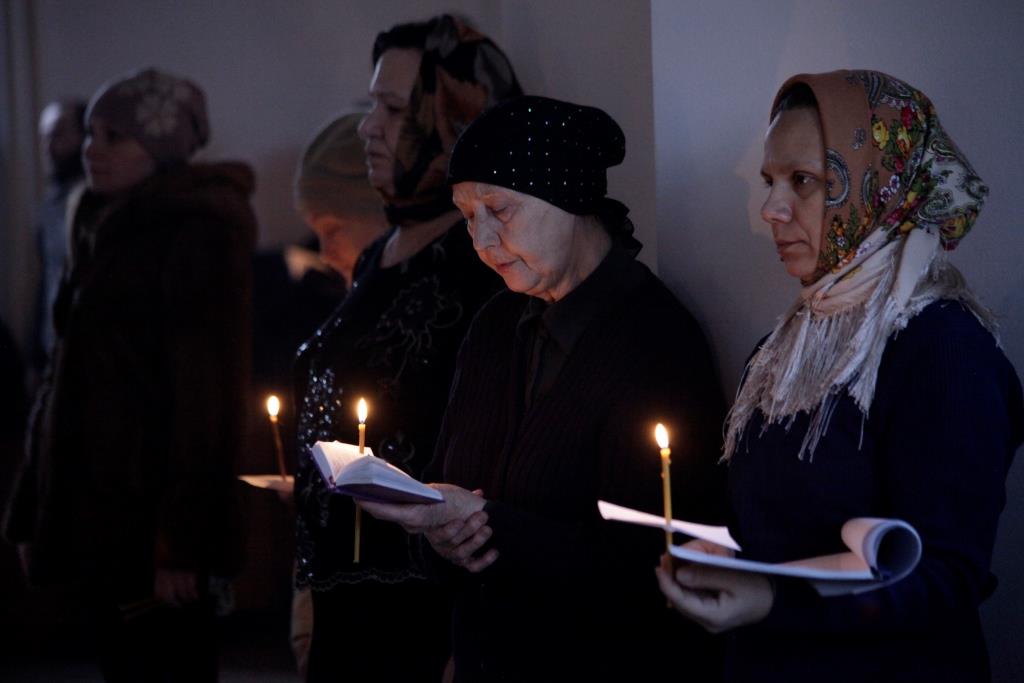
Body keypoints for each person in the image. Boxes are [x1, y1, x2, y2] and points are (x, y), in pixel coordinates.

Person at [655, 70, 1023, 682]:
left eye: (803, 181)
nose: (770, 210)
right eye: (770, 182)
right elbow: (773, 524)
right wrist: (723, 558)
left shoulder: (944, 349)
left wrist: (774, 600)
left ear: (884, 187)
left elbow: (947, 576)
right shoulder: (782, 349)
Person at [361, 95, 728, 681]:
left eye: (499, 210)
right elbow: (445, 483)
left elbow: (648, 562)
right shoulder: (496, 325)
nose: (481, 241)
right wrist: (437, 536)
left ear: (571, 197)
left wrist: (488, 524)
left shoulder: (654, 341)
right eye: (467, 215)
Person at [3, 67, 256, 682]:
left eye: (114, 136)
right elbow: (63, 374)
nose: (93, 148)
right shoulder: (100, 221)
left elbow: (206, 401)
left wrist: (182, 544)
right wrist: (34, 505)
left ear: (160, 147)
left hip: (154, 519)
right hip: (105, 512)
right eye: (91, 133)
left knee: (165, 665)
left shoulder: (197, 233)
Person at [292, 15, 520, 682]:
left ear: (456, 120)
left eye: (394, 110)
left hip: (419, 607)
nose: (368, 127)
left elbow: (493, 452)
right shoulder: (378, 254)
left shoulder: (485, 264)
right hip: (344, 590)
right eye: (372, 106)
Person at [32, 99, 87, 375]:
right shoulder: (50, 205)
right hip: (53, 349)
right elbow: (47, 280)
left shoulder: (96, 203)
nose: (48, 146)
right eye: (45, 136)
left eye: (58, 134)